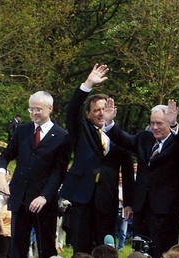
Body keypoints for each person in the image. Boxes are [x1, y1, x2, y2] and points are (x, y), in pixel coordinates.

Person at [103, 97, 179, 258]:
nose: (155, 127)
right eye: (152, 123)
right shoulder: (144, 138)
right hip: (142, 208)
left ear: (169, 124)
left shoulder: (178, 143)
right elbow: (124, 139)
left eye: (160, 123)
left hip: (165, 210)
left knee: (162, 251)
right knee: (140, 251)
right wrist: (110, 122)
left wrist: (174, 125)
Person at [59, 64, 135, 254]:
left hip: (107, 199)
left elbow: (127, 170)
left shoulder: (121, 136)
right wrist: (88, 84)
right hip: (82, 196)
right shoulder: (81, 130)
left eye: (105, 109)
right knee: (81, 246)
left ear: (112, 110)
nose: (101, 113)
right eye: (96, 110)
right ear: (88, 114)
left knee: (105, 247)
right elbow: (72, 110)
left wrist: (128, 202)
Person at [0, 90, 72, 258]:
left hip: (44, 202)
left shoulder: (62, 136)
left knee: (45, 247)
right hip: (19, 199)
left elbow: (59, 172)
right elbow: (5, 155)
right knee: (17, 247)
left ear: (50, 108)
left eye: (38, 109)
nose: (34, 113)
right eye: (31, 109)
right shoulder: (22, 130)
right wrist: (1, 176)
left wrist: (44, 196)